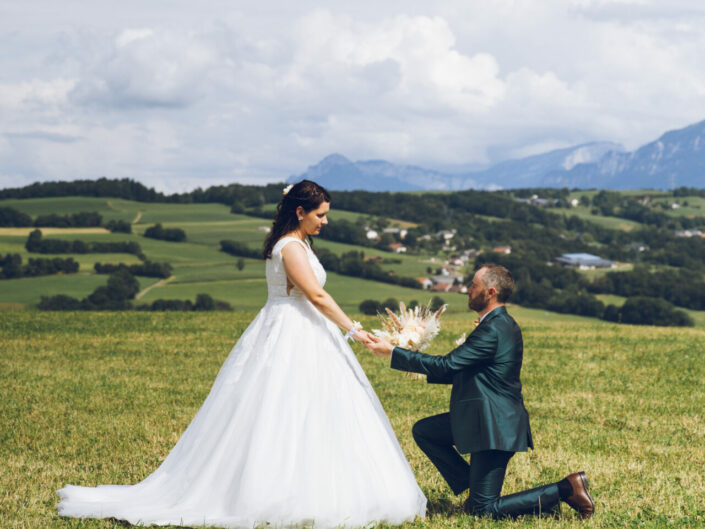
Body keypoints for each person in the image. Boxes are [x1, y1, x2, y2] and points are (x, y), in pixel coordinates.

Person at [57, 180, 427, 528]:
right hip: (293, 331)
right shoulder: (290, 247)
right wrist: (354, 330)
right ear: (300, 212)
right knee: (281, 409)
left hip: (305, 329)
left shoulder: (297, 244)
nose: (325, 221)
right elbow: (315, 295)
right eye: (320, 215)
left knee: (318, 408)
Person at [366, 263, 595, 519]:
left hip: (493, 427)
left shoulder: (493, 329)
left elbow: (448, 365)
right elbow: (463, 371)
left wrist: (394, 352)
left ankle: (565, 489)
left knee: (482, 511)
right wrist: (416, 365)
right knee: (425, 431)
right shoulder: (496, 325)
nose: (468, 290)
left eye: (474, 285)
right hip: (480, 420)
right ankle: (474, 485)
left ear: (490, 292)